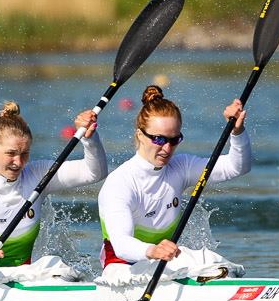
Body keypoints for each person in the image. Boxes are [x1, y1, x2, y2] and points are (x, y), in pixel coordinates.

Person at [97, 85, 250, 268]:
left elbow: (237, 167)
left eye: (174, 140)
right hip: (122, 268)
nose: (167, 148)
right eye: (159, 139)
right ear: (140, 134)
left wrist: (237, 132)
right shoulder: (120, 183)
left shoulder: (181, 167)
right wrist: (153, 251)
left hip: (163, 264)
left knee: (210, 260)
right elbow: (121, 245)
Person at [0, 101, 107, 268]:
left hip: (20, 276)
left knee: (56, 266)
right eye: (10, 153)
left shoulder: (39, 175)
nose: (18, 163)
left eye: (24, 154)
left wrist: (90, 139)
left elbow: (95, 173)